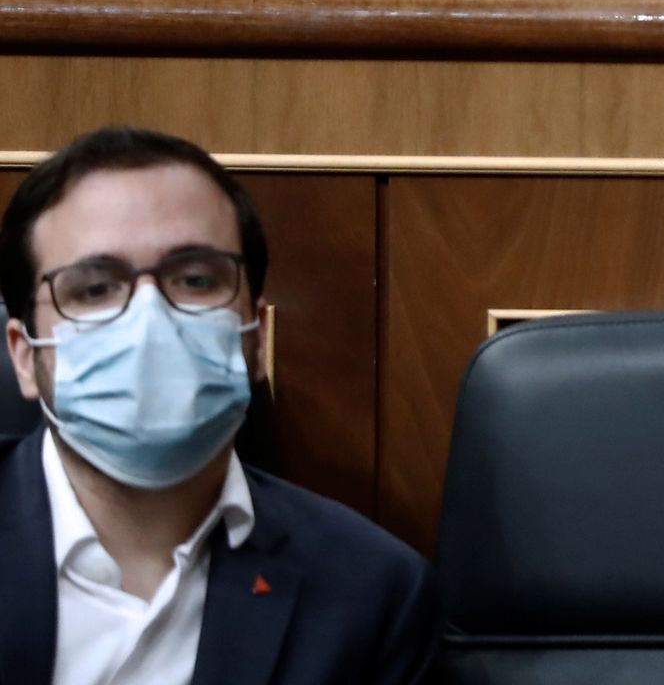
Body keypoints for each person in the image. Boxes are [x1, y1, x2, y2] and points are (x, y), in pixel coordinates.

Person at [0, 126, 437, 684]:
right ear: (23, 356)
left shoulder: (374, 594)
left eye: (196, 279)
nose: (150, 320)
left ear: (256, 335)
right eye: (94, 289)